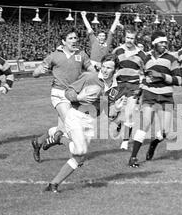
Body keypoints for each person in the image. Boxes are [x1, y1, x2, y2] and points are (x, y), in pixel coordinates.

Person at [42, 54, 127, 193]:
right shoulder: (90, 77)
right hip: (76, 115)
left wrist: (117, 107)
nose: (105, 70)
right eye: (104, 66)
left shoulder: (115, 88)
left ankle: (53, 185)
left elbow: (108, 112)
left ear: (115, 70)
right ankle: (59, 138)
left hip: (90, 121)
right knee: (81, 150)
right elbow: (68, 91)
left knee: (79, 158)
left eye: (109, 68)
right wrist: (78, 96)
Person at [31, 29, 96, 162]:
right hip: (59, 94)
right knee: (72, 125)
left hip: (74, 94)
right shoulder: (54, 55)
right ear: (63, 41)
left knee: (62, 128)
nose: (74, 40)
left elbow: (92, 71)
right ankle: (75, 156)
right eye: (71, 38)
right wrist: (40, 71)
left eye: (75, 38)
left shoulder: (82, 54)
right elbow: (35, 73)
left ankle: (38, 142)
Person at [128, 31, 182, 168]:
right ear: (154, 43)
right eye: (161, 42)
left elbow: (179, 80)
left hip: (166, 95)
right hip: (149, 93)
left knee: (165, 132)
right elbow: (143, 77)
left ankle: (154, 143)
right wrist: (139, 91)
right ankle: (133, 157)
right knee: (144, 125)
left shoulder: (172, 59)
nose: (164, 44)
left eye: (165, 42)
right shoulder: (146, 58)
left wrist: (162, 76)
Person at [112, 28, 147, 151]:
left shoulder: (141, 54)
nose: (129, 40)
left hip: (133, 86)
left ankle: (125, 141)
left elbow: (146, 72)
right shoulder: (117, 51)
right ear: (124, 37)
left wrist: (141, 86)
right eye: (128, 38)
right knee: (114, 110)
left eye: (132, 38)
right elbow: (111, 67)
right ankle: (118, 123)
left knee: (129, 113)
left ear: (135, 39)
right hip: (119, 86)